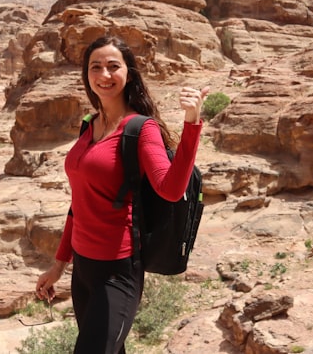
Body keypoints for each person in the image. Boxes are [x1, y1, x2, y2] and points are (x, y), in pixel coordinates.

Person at [35, 35, 209, 354]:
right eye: (95, 67)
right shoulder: (89, 125)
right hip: (83, 272)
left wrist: (192, 123)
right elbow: (79, 205)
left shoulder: (142, 129)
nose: (104, 75)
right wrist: (58, 266)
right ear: (86, 75)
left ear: (129, 72)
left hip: (118, 272)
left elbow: (171, 190)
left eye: (113, 67)